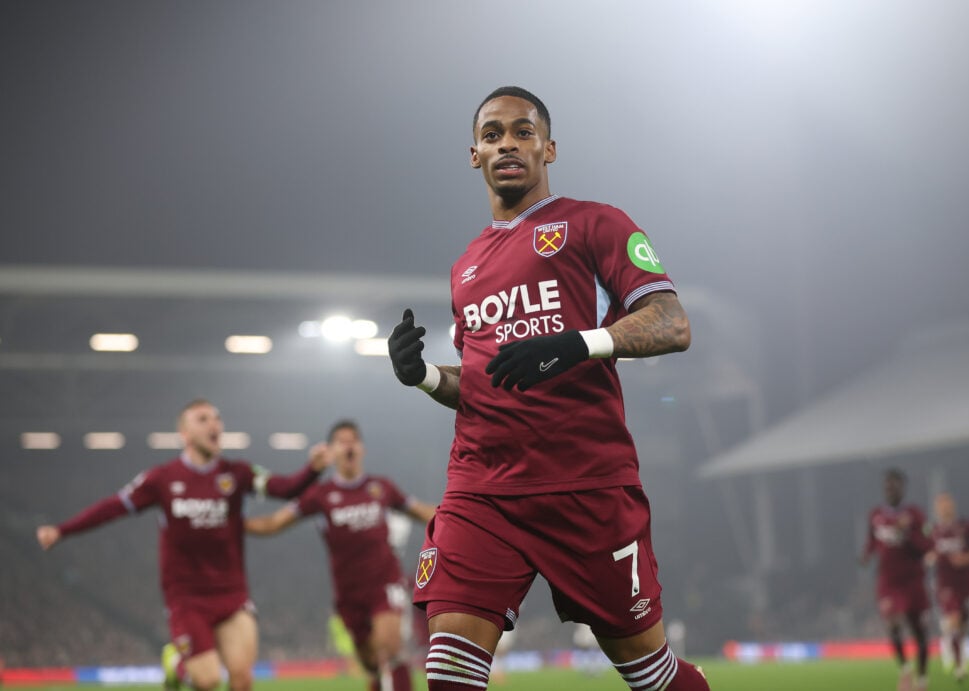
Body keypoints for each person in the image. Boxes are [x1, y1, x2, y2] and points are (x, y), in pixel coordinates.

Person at [387, 86, 708, 691]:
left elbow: (672, 322)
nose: (507, 142)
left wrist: (579, 342)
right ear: (474, 155)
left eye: (522, 131)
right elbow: (486, 382)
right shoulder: (466, 267)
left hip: (585, 487)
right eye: (492, 134)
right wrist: (425, 377)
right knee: (448, 677)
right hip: (482, 490)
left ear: (548, 148)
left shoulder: (595, 224)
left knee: (656, 679)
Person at [35, 399, 327, 691]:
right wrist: (63, 530)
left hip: (232, 593)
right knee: (208, 681)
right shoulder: (162, 479)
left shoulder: (238, 474)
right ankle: (176, 664)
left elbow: (285, 488)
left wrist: (312, 470)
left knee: (242, 679)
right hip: (187, 598)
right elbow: (114, 507)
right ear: (184, 434)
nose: (214, 424)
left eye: (216, 418)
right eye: (202, 419)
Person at [245, 420, 436, 691]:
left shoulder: (381, 487)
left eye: (354, 440)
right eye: (342, 440)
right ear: (331, 451)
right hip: (348, 594)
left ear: (362, 449)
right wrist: (234, 526)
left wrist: (459, 515)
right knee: (371, 663)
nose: (349, 445)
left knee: (390, 650)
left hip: (385, 583)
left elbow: (420, 511)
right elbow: (275, 522)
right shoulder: (320, 496)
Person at [861, 469, 933, 691]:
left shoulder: (914, 514)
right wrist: (866, 554)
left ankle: (921, 678)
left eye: (894, 485)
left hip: (913, 581)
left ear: (903, 487)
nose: (890, 489)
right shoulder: (876, 515)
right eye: (887, 486)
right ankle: (905, 669)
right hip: (888, 581)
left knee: (919, 630)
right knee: (892, 622)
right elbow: (872, 541)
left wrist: (906, 534)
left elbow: (926, 546)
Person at [927, 492, 969, 681]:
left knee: (961, 625)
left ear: (953, 505)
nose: (944, 508)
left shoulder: (968, 526)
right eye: (940, 505)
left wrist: (966, 558)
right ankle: (954, 657)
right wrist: (929, 557)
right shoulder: (932, 531)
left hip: (966, 583)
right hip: (945, 583)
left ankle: (955, 655)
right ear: (936, 509)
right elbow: (924, 552)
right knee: (954, 618)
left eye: (947, 503)